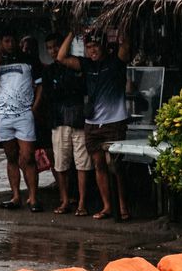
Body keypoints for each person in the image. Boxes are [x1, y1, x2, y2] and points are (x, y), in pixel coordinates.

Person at [57, 27, 132, 221]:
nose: (92, 50)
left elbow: (126, 48)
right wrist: (72, 33)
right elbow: (61, 57)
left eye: (95, 46)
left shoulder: (116, 62)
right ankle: (107, 206)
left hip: (114, 122)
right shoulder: (86, 65)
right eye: (89, 47)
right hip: (92, 124)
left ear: (104, 46)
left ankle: (122, 206)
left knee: (114, 166)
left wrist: (121, 26)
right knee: (99, 165)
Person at [0, 33, 43, 212]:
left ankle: (33, 198)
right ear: (1, 42)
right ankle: (16, 195)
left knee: (28, 157)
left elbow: (40, 85)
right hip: (4, 117)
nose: (10, 44)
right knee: (11, 158)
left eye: (12, 40)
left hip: (24, 115)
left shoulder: (29, 60)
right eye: (6, 41)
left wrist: (34, 108)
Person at [42, 34, 90, 216]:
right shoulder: (49, 71)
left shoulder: (77, 66)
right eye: (49, 48)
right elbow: (48, 97)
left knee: (82, 164)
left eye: (56, 46)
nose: (53, 51)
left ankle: (82, 202)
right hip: (59, 121)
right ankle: (64, 200)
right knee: (61, 164)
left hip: (78, 120)